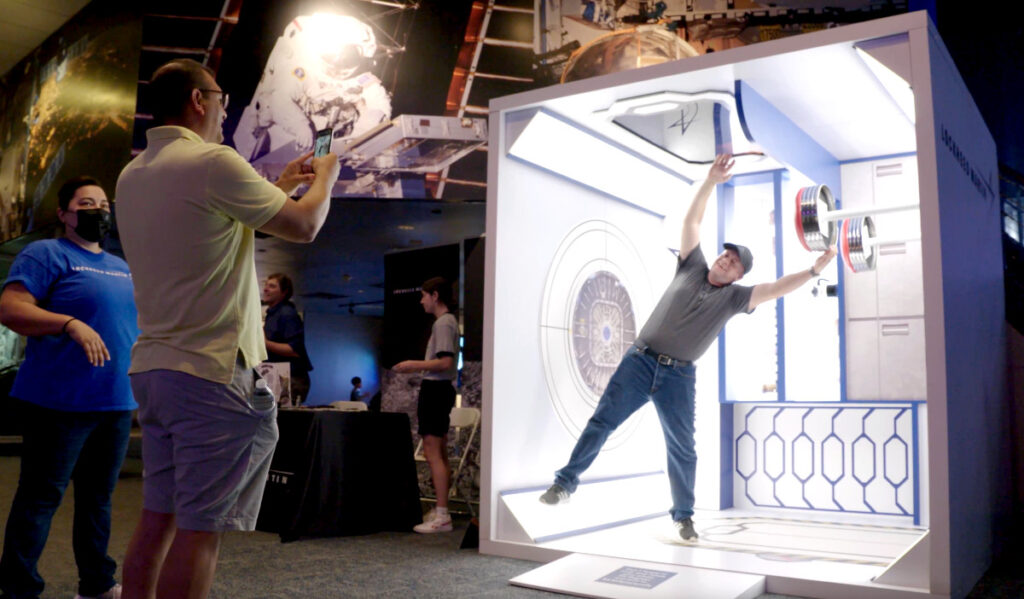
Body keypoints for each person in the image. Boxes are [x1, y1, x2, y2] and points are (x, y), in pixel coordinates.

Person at [114, 58, 340, 599]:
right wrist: (325, 177)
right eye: (220, 97)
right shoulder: (214, 161)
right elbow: (305, 225)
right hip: (211, 374)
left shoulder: (133, 173)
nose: (226, 107)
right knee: (200, 531)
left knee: (158, 518)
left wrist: (282, 185)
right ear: (198, 100)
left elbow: (212, 221)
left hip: (156, 369)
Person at [539, 155, 837, 542]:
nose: (725, 260)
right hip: (639, 363)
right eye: (725, 254)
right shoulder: (691, 266)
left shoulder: (736, 298)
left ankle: (683, 516)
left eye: (733, 262)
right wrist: (711, 180)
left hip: (678, 376)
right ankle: (564, 483)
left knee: (683, 448)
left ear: (738, 276)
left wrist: (815, 270)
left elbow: (777, 287)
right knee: (602, 422)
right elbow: (691, 222)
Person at [0, 176, 138, 599]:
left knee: (99, 500)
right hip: (58, 402)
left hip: (115, 401)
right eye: (86, 203)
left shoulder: (121, 266)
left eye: (103, 204)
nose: (98, 211)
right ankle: (18, 588)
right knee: (41, 498)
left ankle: (96, 583)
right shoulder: (47, 253)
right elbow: (10, 307)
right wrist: (69, 322)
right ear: (63, 214)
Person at [393, 277, 460, 533]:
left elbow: (444, 362)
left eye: (423, 295)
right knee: (438, 451)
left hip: (435, 389)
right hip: (439, 390)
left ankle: (442, 514)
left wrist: (414, 364)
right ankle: (442, 510)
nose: (421, 301)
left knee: (433, 452)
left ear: (435, 295)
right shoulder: (448, 322)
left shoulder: (443, 323)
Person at [262, 273, 312, 405]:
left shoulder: (287, 314)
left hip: (291, 379)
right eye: (266, 285)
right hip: (278, 376)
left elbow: (294, 350)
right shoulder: (272, 314)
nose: (266, 289)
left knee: (284, 421)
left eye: (272, 286)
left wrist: (265, 343)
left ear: (284, 292)